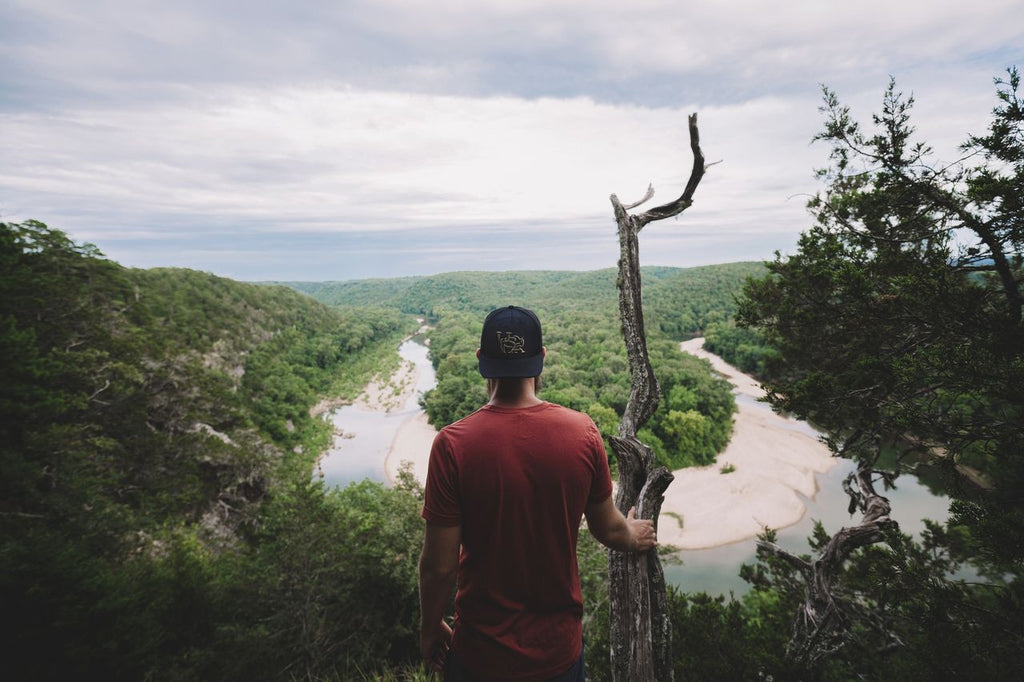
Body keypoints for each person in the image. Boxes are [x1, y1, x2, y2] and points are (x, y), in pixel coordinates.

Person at [419, 305, 658, 681]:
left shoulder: (452, 445)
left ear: (482, 359)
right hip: (557, 655)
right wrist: (635, 535)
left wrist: (430, 627)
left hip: (480, 654)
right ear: (541, 359)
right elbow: (608, 529)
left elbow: (439, 566)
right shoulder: (582, 432)